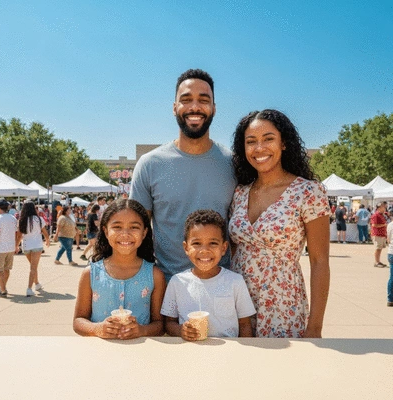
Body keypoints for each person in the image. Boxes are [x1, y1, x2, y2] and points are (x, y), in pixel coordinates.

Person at [228, 109, 331, 338]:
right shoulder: (240, 193)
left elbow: (319, 260)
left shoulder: (308, 192)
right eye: (251, 141)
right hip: (235, 303)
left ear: (283, 143)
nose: (259, 148)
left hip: (282, 304)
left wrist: (315, 326)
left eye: (268, 139)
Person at [130, 68, 236, 281]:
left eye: (203, 100)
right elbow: (136, 232)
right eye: (186, 100)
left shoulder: (234, 164)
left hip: (222, 289)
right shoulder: (150, 164)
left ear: (214, 108)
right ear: (174, 107)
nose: (195, 107)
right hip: (165, 288)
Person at [73, 198, 166, 339]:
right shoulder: (91, 273)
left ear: (144, 232)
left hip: (140, 355)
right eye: (117, 227)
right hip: (100, 355)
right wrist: (97, 328)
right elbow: (78, 321)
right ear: (105, 231)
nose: (125, 234)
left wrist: (142, 330)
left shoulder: (154, 275)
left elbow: (159, 325)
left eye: (134, 227)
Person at [161, 209, 255, 340]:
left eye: (213, 243)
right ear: (186, 248)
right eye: (197, 243)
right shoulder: (177, 282)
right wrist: (181, 331)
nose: (204, 250)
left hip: (228, 354)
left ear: (223, 248)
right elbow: (169, 323)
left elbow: (245, 324)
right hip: (191, 352)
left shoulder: (235, 281)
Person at [17, 201, 50, 296]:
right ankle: (29, 288)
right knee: (33, 267)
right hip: (37, 245)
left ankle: (37, 284)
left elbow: (19, 235)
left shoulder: (21, 220)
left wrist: (16, 245)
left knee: (33, 266)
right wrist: (47, 240)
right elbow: (44, 231)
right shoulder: (38, 219)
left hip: (26, 245)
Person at [0, 200, 19, 297]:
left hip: (0, 248)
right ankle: (3, 287)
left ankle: (3, 290)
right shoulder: (13, 218)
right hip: (10, 247)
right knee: (7, 269)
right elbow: (16, 233)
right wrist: (16, 245)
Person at [370, 202, 388, 268]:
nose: (385, 208)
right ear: (379, 208)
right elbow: (374, 225)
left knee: (380, 248)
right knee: (378, 248)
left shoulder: (382, 215)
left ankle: (378, 261)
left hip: (382, 234)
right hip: (377, 234)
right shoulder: (376, 215)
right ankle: (376, 262)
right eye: (383, 207)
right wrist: (384, 225)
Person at [386, 209, 393, 307]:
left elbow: (388, 239)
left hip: (391, 252)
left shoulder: (390, 225)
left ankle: (390, 299)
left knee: (392, 277)